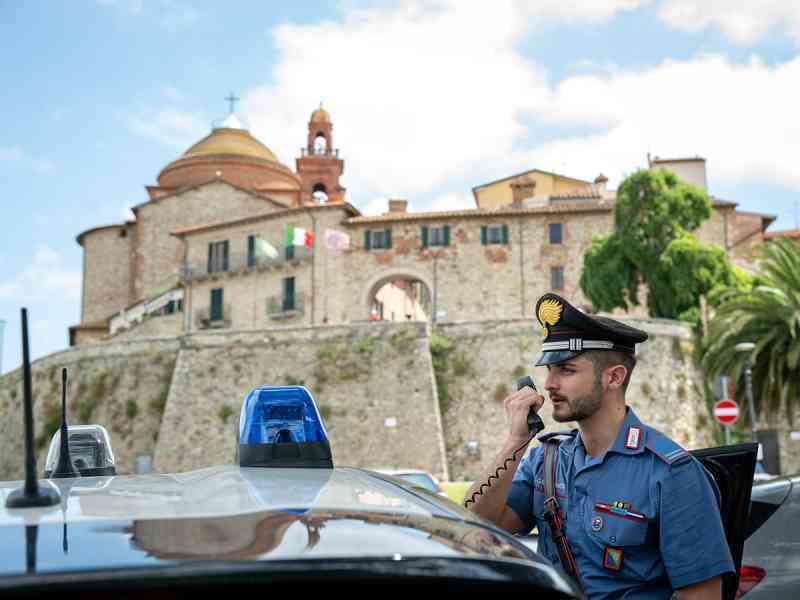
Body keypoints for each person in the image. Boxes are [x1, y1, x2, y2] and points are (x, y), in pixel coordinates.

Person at [465, 293, 733, 599]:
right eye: (549, 370)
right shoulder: (546, 460)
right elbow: (475, 532)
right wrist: (516, 441)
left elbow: (703, 594)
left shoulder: (670, 473)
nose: (550, 383)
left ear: (614, 378)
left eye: (566, 370)